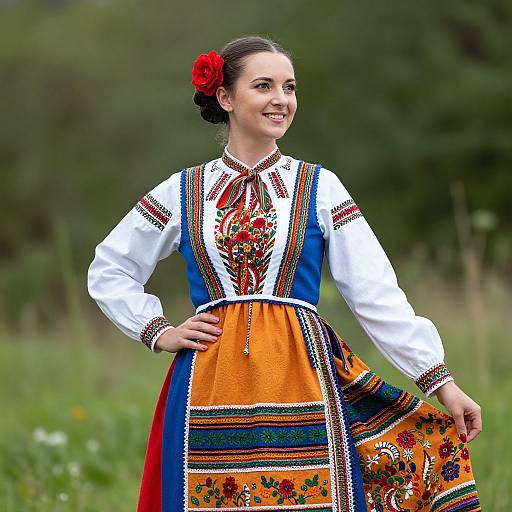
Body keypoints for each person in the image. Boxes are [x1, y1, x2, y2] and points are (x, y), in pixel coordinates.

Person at [87, 36, 482, 511]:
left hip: (303, 371)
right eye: (264, 86)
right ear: (227, 98)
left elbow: (375, 292)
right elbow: (110, 268)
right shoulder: (183, 191)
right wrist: (158, 331)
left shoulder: (319, 186)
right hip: (209, 381)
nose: (281, 99)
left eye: (289, 87)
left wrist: (440, 381)